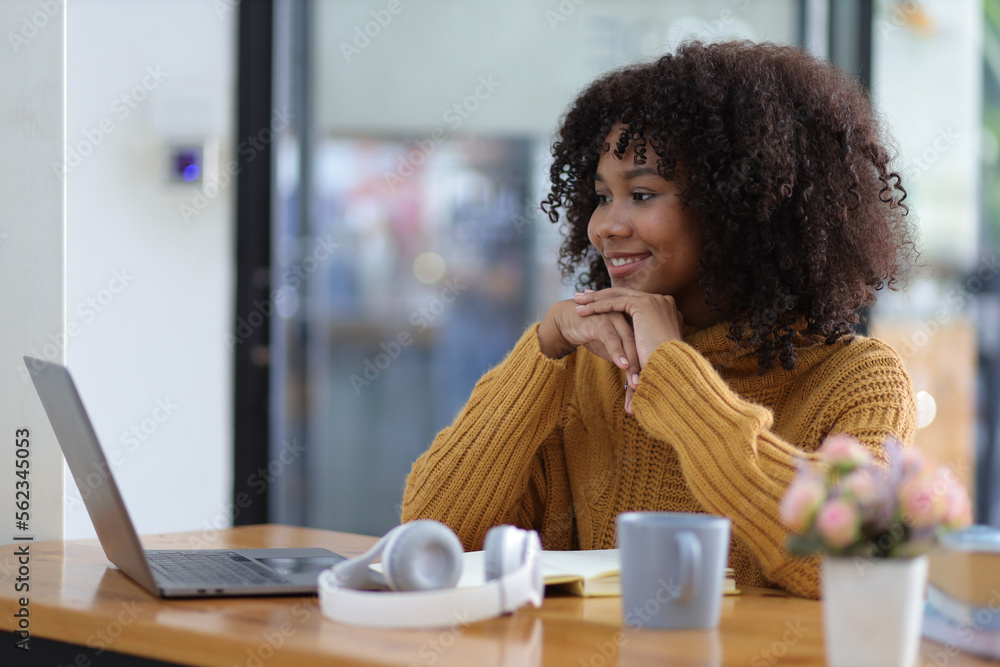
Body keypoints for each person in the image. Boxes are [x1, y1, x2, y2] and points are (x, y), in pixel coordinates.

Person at [401, 40, 918, 598]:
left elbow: (855, 561)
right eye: (602, 196)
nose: (604, 227)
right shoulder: (586, 364)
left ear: (739, 207)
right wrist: (543, 350)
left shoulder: (861, 379)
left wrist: (675, 378)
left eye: (641, 193)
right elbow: (434, 539)